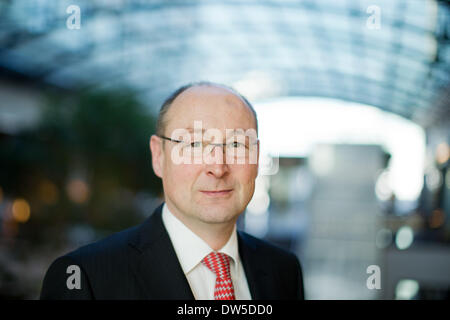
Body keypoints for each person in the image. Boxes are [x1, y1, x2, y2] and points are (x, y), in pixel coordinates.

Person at [40, 82, 304, 300]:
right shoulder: (87, 279)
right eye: (194, 144)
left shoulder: (283, 269)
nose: (218, 166)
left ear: (256, 159)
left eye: (236, 144)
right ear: (159, 156)